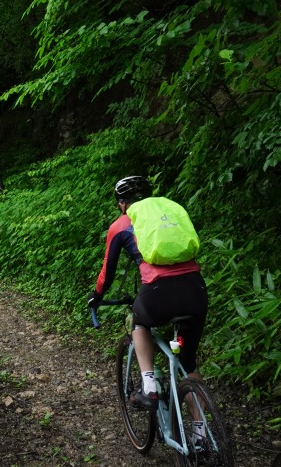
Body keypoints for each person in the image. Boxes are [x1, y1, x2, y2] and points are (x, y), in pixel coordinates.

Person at [87, 176, 208, 420]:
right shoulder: (169, 212)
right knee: (187, 360)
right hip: (196, 291)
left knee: (139, 322)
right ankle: (200, 433)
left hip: (158, 294)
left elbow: (107, 273)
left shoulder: (122, 223)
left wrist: (96, 296)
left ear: (122, 203)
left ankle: (150, 386)